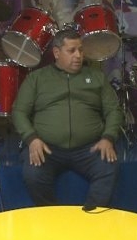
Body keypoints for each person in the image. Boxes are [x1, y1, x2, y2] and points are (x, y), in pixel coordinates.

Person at [12, 29, 124, 207]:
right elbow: (19, 112)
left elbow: (113, 110)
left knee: (108, 169)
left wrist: (108, 138)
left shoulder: (97, 77)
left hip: (89, 147)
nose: (78, 55)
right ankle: (53, 216)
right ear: (57, 53)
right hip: (47, 148)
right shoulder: (36, 78)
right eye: (71, 51)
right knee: (33, 175)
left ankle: (92, 217)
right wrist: (31, 139)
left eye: (80, 50)